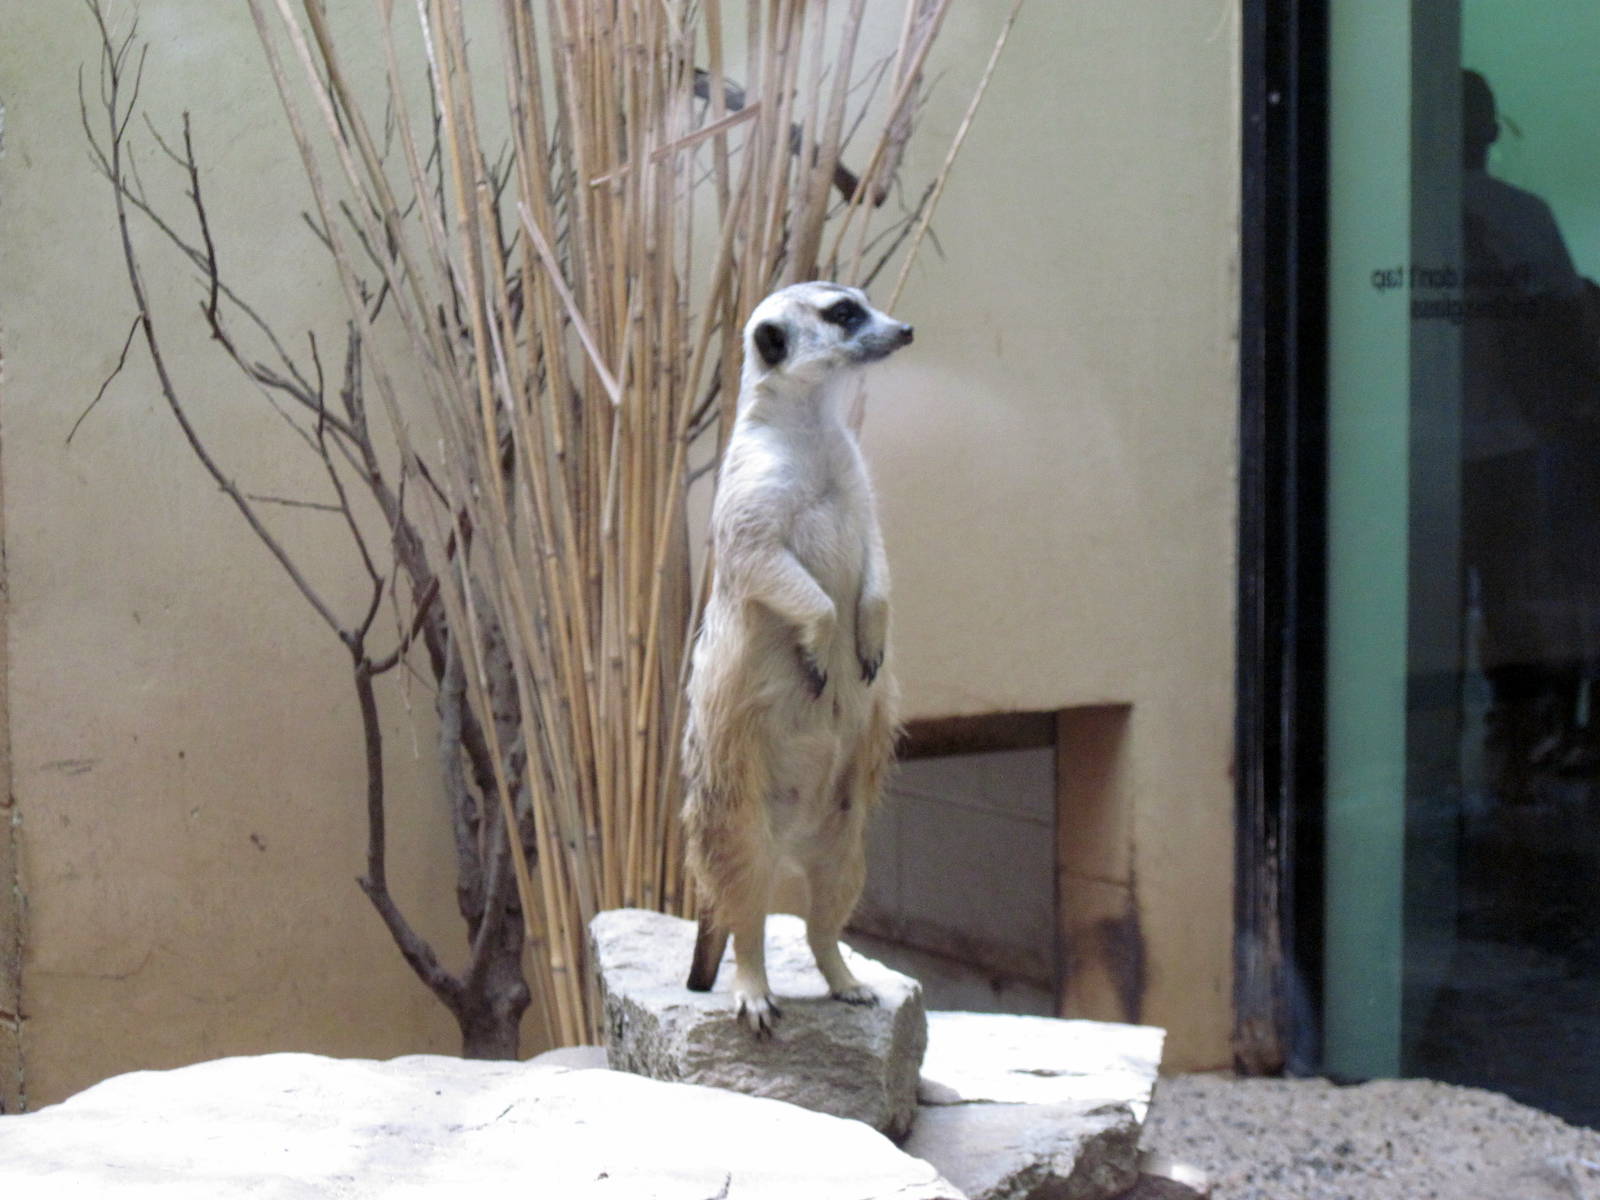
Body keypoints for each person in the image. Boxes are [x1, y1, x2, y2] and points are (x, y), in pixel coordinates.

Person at [1460, 69, 1600, 800]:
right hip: (1515, 448)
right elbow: (1570, 330)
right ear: (1490, 132)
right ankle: (1518, 742)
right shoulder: (1526, 217)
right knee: (1521, 606)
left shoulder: (1386, 214)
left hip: (1410, 455)